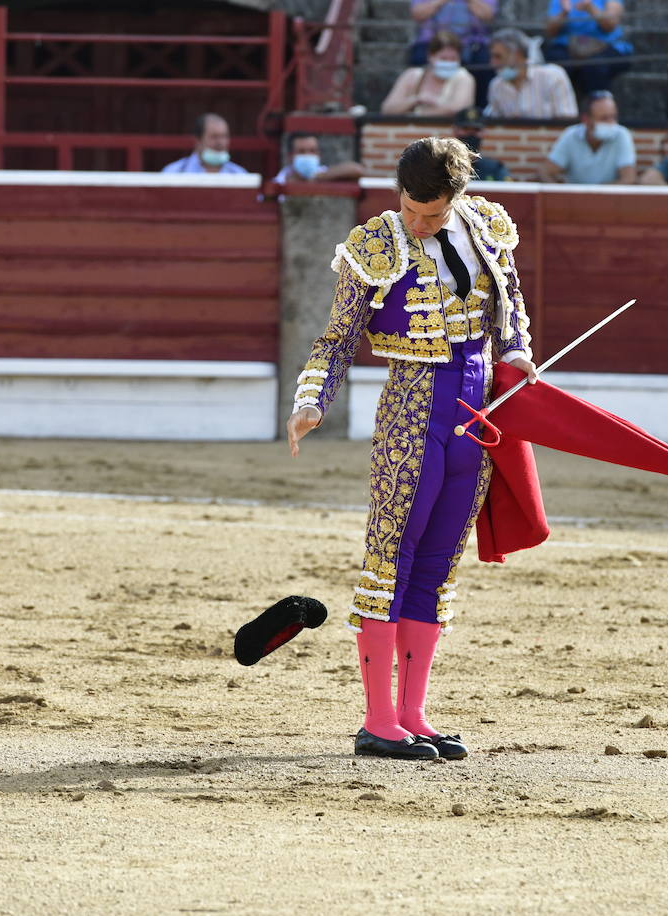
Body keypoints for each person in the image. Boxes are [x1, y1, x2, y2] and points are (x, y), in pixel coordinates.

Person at [286, 137, 537, 761]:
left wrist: (517, 353)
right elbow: (338, 337)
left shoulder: (487, 228)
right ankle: (377, 721)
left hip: (476, 412)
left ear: (457, 198)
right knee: (390, 556)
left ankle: (414, 713)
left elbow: (509, 309)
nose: (417, 222)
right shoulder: (375, 244)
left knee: (439, 561)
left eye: (432, 214)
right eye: (410, 208)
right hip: (411, 408)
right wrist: (311, 400)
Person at [409, 0, 497, 106]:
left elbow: (488, 15)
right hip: (432, 41)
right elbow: (418, 14)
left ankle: (480, 110)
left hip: (472, 43)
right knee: (418, 59)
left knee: (483, 64)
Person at [540, 90, 637, 183]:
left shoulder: (622, 134)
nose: (611, 123)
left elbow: (629, 179)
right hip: (575, 198)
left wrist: (595, 196)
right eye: (604, 118)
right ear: (586, 120)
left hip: (609, 199)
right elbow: (545, 172)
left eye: (613, 117)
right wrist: (560, 196)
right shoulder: (571, 135)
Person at [542, 0, 633, 96]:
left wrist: (590, 8)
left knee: (595, 67)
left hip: (605, 46)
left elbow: (610, 24)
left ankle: (598, 106)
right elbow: (550, 32)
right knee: (556, 65)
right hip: (566, 46)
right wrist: (564, 12)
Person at [484, 27, 578, 119]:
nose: (492, 63)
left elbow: (567, 123)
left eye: (498, 57)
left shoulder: (553, 77)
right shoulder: (496, 86)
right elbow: (494, 128)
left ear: (517, 54)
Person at [382, 30, 477, 117]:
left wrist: (419, 113)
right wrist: (416, 100)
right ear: (430, 56)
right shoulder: (412, 75)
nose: (448, 63)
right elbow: (387, 109)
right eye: (443, 58)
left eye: (453, 59)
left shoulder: (464, 78)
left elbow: (459, 109)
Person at [162, 113, 248, 174]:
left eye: (224, 136)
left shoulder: (240, 174)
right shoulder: (174, 173)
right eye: (214, 136)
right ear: (197, 140)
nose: (220, 142)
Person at [269, 132, 365, 186]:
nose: (307, 155)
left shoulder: (323, 173)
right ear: (290, 156)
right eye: (301, 151)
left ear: (318, 154)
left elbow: (356, 170)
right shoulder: (278, 182)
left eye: (312, 151)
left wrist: (319, 176)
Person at [453, 107, 511, 180]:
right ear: (455, 130)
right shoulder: (443, 167)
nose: (471, 134)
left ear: (483, 132)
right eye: (465, 129)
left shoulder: (494, 169)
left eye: (476, 130)